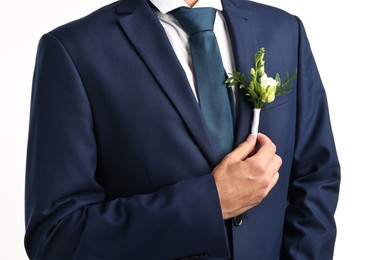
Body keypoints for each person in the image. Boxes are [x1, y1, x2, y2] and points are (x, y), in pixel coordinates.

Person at [25, 0, 340, 259]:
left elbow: (316, 177)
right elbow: (56, 238)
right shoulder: (74, 49)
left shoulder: (284, 30)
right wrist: (209, 204)